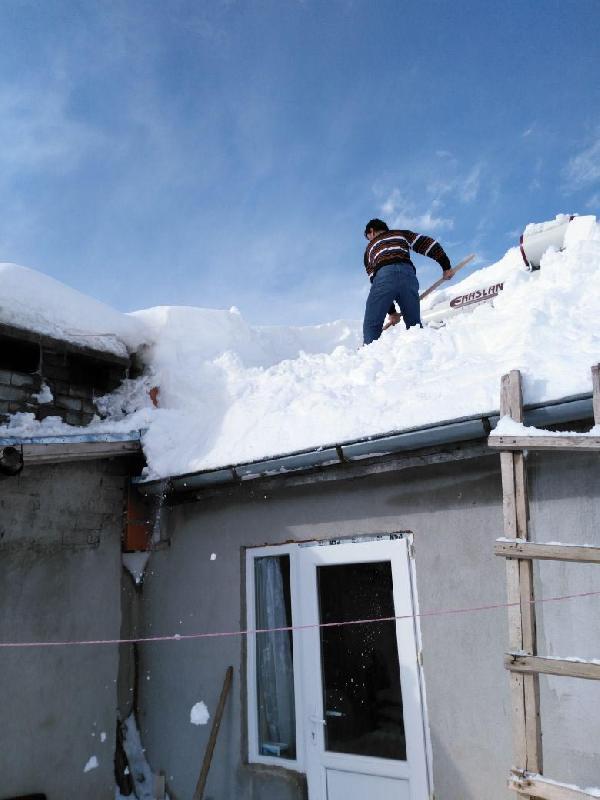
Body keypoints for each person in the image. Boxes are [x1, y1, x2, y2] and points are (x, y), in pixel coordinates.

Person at [362, 218, 456, 345]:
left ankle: (368, 354)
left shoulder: (369, 249)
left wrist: (392, 312)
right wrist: (446, 266)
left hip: (384, 276)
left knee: (372, 323)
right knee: (414, 325)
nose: (370, 239)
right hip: (408, 277)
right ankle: (420, 352)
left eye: (368, 236)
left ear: (371, 231)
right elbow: (429, 244)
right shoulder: (400, 234)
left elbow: (375, 279)